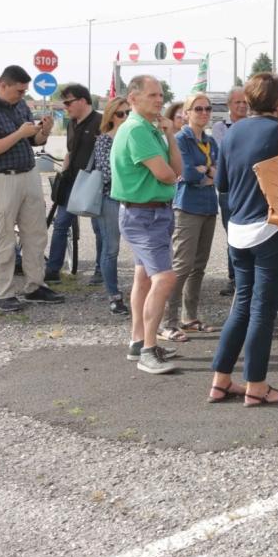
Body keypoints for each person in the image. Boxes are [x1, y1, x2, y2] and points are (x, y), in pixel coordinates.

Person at [209, 73, 278, 406]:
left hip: (238, 230)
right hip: (272, 227)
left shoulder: (233, 131)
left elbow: (222, 184)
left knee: (242, 305)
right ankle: (256, 387)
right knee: (263, 311)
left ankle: (220, 382)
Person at [111, 75, 184, 375]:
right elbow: (167, 174)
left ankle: (138, 341)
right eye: (152, 95)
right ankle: (148, 351)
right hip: (144, 215)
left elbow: (176, 170)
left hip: (153, 212)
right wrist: (170, 173)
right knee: (164, 278)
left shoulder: (151, 129)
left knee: (143, 278)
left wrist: (171, 136)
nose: (159, 100)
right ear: (133, 98)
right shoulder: (137, 129)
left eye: (161, 95)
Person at [0, 65, 63, 313]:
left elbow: (34, 141)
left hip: (28, 174)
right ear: (3, 85)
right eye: (19, 91)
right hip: (0, 178)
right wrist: (19, 133)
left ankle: (35, 286)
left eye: (24, 91)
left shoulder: (21, 106)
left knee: (35, 233)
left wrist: (45, 131)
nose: (23, 95)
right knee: (2, 236)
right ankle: (2, 293)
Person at [162, 92, 222, 341]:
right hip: (187, 207)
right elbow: (186, 172)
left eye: (207, 109)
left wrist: (206, 172)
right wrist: (207, 172)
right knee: (182, 266)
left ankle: (190, 318)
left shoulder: (210, 141)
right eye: (198, 109)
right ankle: (168, 322)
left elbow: (221, 173)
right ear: (186, 114)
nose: (204, 113)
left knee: (199, 267)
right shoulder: (181, 139)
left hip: (208, 206)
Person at [44, 83, 104, 285]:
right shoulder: (71, 124)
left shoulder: (101, 122)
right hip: (71, 182)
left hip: (94, 183)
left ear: (82, 101)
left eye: (68, 103)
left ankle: (101, 270)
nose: (66, 107)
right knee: (61, 224)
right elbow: (69, 152)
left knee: (99, 228)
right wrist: (63, 173)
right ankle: (53, 270)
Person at [92, 97, 131, 314]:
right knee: (111, 249)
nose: (125, 117)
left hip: (134, 200)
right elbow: (106, 174)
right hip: (111, 199)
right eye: (120, 114)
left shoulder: (134, 137)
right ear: (111, 116)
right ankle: (114, 296)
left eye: (128, 113)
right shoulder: (104, 140)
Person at [210, 86, 246, 294]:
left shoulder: (254, 125)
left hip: (250, 189)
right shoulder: (220, 127)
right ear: (228, 105)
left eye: (245, 102)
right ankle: (234, 278)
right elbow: (225, 153)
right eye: (237, 102)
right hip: (229, 190)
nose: (242, 106)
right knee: (233, 234)